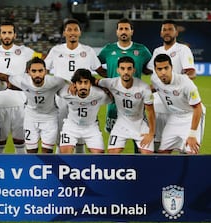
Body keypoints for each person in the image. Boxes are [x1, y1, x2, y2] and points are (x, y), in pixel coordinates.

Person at [45, 18, 107, 153]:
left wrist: (116, 80)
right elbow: (43, 71)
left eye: (75, 29)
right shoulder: (55, 50)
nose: (72, 32)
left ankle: (79, 169)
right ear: (64, 33)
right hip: (61, 99)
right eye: (69, 30)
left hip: (83, 98)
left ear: (80, 32)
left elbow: (99, 71)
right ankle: (61, 167)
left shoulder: (88, 51)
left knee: (81, 137)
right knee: (61, 137)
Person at [0, 21, 40, 154]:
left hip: (21, 103)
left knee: (20, 141)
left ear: (15, 35)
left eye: (9, 33)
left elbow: (43, 60)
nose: (7, 35)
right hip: (0, 103)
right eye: (4, 33)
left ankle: (22, 167)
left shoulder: (25, 51)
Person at [97, 17, 152, 153]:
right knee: (114, 135)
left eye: (126, 29)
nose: (123, 31)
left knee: (138, 136)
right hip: (113, 100)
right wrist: (109, 78)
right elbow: (96, 66)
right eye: (121, 28)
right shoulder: (108, 50)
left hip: (136, 100)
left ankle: (138, 164)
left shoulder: (142, 50)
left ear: (131, 31)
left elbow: (149, 68)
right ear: (116, 32)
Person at [146, 19, 198, 152]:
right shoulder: (157, 51)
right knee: (160, 140)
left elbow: (191, 72)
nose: (167, 32)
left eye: (170, 29)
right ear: (160, 33)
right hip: (161, 101)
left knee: (184, 144)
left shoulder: (182, 49)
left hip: (179, 101)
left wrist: (177, 84)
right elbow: (149, 70)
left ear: (176, 32)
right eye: (164, 30)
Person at [96, 56, 155, 154]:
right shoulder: (111, 83)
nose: (126, 72)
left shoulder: (143, 87)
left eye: (129, 68)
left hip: (140, 124)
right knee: (112, 154)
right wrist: (74, 85)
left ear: (134, 70)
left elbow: (150, 112)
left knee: (147, 155)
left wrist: (151, 133)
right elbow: (94, 81)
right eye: (122, 68)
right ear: (118, 70)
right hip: (121, 124)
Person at [8, 57, 66, 153]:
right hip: (30, 118)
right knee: (31, 152)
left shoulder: (56, 81)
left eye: (40, 71)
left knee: (47, 152)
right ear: (28, 72)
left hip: (50, 119)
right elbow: (6, 79)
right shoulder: (22, 81)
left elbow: (70, 86)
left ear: (45, 71)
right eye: (34, 71)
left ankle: (47, 168)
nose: (37, 74)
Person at [151, 54, 204, 154]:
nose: (163, 72)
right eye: (159, 69)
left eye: (166, 68)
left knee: (191, 151)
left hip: (190, 116)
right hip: (174, 117)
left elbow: (198, 108)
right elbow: (152, 88)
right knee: (162, 152)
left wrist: (192, 134)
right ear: (155, 70)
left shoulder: (186, 83)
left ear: (172, 67)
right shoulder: (155, 80)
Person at [59, 69, 113, 154]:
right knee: (65, 154)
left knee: (100, 156)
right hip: (71, 126)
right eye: (80, 82)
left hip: (91, 127)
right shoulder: (66, 93)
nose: (83, 86)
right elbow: (56, 84)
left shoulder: (99, 94)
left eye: (86, 82)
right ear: (75, 84)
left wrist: (102, 86)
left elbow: (115, 96)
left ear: (90, 84)